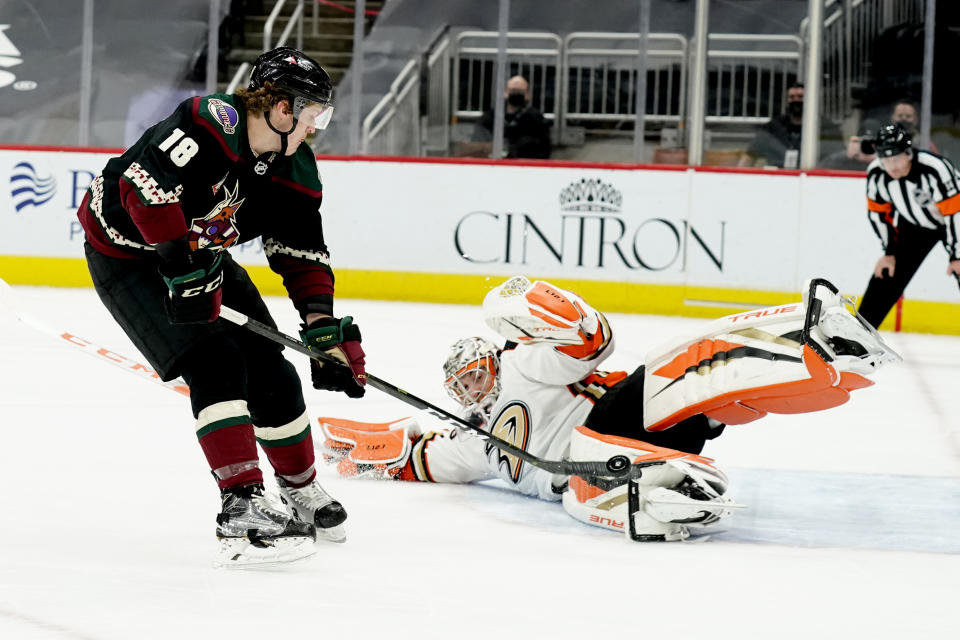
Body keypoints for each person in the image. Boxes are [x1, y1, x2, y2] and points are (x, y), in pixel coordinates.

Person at [315, 276, 898, 542]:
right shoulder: (474, 442)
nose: (474, 389)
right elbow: (425, 457)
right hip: (599, 465)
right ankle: (673, 491)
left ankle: (806, 342)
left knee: (681, 365)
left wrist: (528, 304)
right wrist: (369, 451)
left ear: (495, 357)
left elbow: (590, 340)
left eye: (476, 374)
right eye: (463, 387)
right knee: (585, 486)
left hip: (625, 414)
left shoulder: (527, 363)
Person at [76, 47, 367, 567]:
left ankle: (298, 485)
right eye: (313, 114)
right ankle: (241, 503)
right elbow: (143, 193)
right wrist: (178, 263)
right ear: (282, 108)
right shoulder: (209, 123)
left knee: (270, 362)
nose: (315, 127)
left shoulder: (293, 164)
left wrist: (322, 329)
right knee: (214, 360)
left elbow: (301, 253)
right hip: (128, 257)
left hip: (197, 254)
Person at [858, 122, 960, 328]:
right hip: (915, 226)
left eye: (896, 158)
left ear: (908, 153)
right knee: (887, 273)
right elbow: (879, 216)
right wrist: (889, 253)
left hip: (954, 224)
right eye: (886, 159)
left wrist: (957, 255)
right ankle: (854, 341)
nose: (892, 165)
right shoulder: (877, 174)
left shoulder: (935, 168)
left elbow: (955, 214)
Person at [738, 82, 843, 169]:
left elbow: (838, 160)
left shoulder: (826, 127)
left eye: (800, 97)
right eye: (792, 97)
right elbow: (749, 156)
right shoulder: (774, 127)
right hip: (777, 178)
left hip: (812, 178)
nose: (796, 100)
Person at [461, 75, 552, 159]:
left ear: (527, 95)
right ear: (506, 92)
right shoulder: (490, 117)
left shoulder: (537, 119)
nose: (516, 94)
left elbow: (544, 150)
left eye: (520, 91)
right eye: (513, 90)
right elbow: (477, 145)